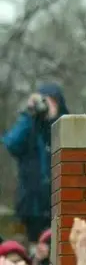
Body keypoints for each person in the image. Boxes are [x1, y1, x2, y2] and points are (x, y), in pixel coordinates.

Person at [1, 84, 69, 247]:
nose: (46, 105)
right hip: (32, 207)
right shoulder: (30, 126)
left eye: (52, 101)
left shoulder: (65, 125)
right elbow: (11, 144)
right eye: (43, 100)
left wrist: (55, 118)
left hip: (59, 204)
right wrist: (28, 114)